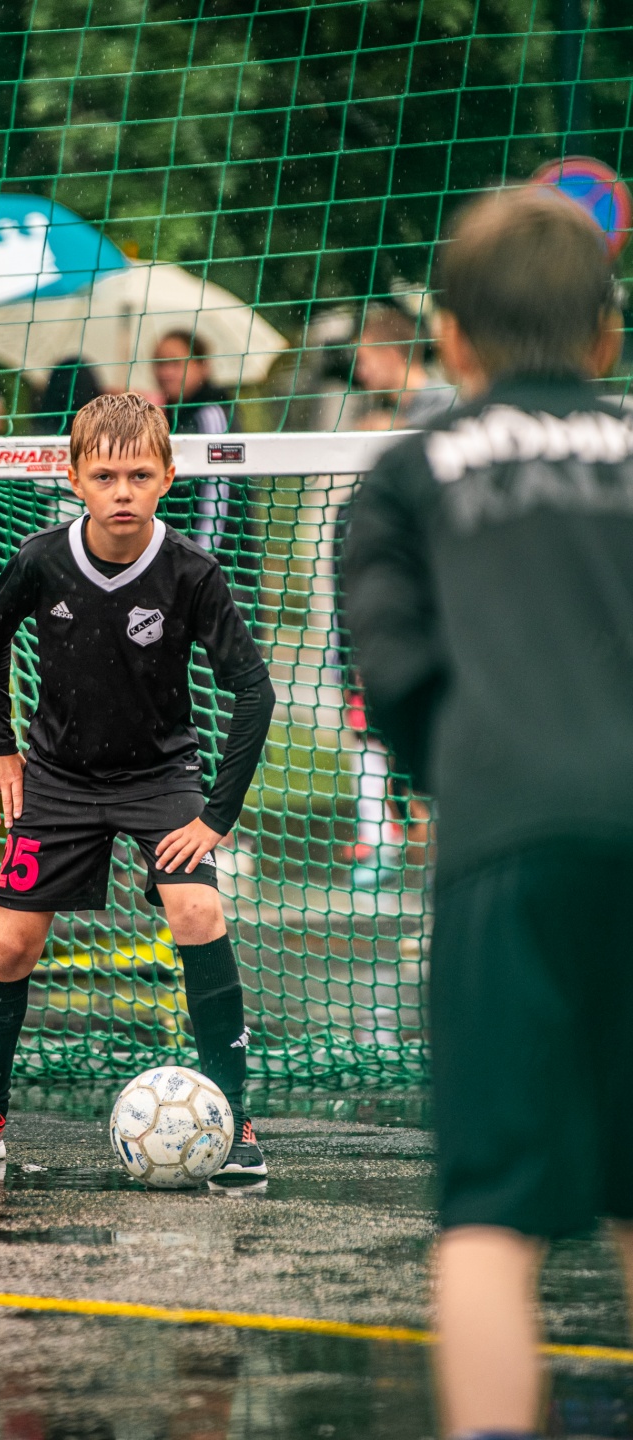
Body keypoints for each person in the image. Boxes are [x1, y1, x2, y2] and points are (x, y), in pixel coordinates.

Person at [342, 186, 632, 1439]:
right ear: (608, 335)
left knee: (490, 1217)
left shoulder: (404, 477)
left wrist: (469, 783)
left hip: (506, 839)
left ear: (451, 340)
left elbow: (397, 682)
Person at [0, 392, 276, 1178]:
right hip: (58, 778)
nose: (122, 491)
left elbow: (254, 691)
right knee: (10, 943)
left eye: (139, 475)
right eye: (105, 476)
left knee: (198, 910)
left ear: (168, 477)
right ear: (75, 479)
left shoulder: (192, 572)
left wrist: (217, 816)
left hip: (160, 775)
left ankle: (233, 1120)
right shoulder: (42, 559)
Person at [153, 331, 238, 550]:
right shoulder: (172, 418)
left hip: (219, 562)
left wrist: (202, 560)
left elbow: (218, 498)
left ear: (203, 366)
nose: (165, 372)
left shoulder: (211, 415)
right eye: (159, 363)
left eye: (175, 363)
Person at [354, 303, 455, 428]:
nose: (359, 373)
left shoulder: (445, 401)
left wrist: (397, 428)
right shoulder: (401, 409)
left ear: (389, 357)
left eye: (363, 361)